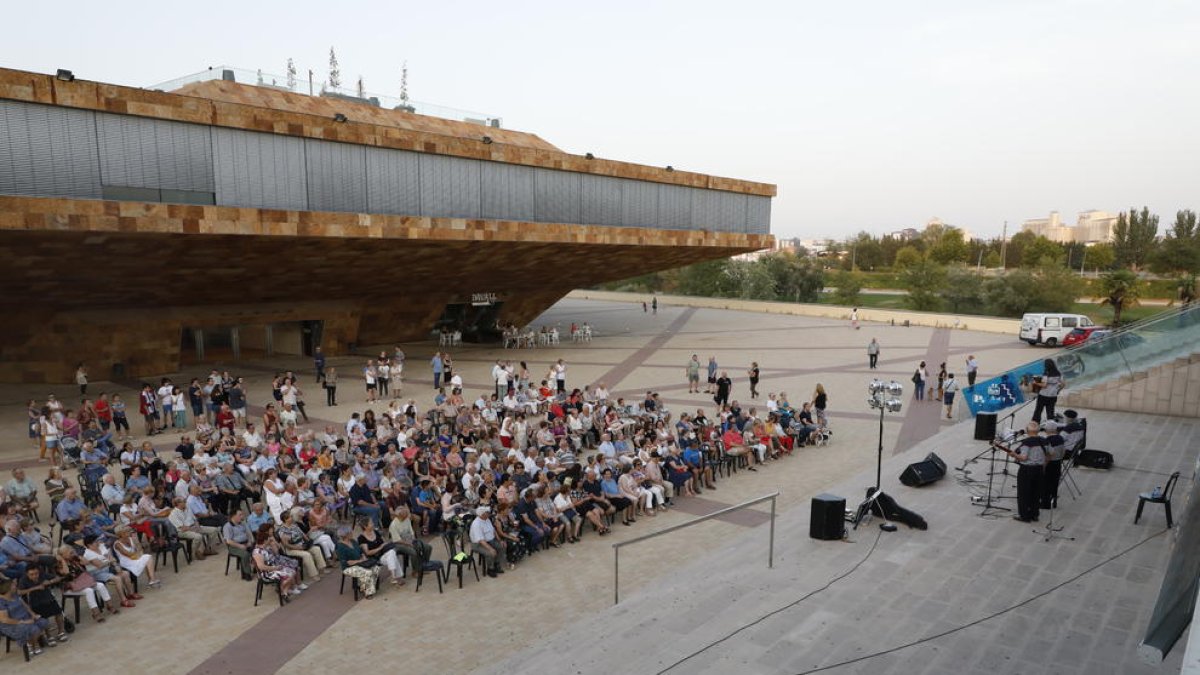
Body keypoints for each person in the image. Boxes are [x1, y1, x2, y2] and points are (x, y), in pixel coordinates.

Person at [1000, 422, 1046, 523]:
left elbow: (1024, 458)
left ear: (1027, 431)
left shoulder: (1027, 443)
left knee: (1024, 493)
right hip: (1039, 469)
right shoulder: (1044, 440)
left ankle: (1025, 516)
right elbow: (1051, 453)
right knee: (1036, 492)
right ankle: (1034, 514)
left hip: (1027, 470)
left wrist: (1014, 455)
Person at [0, 578, 54, 658]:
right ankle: (33, 644)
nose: (15, 586)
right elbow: (4, 619)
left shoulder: (15, 595)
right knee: (34, 629)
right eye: (13, 585)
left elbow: (25, 605)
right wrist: (23, 622)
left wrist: (33, 614)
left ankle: (31, 643)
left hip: (26, 618)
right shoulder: (1, 602)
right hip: (12, 624)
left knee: (44, 622)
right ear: (8, 588)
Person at [334, 526, 380, 599]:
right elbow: (346, 562)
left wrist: (363, 556)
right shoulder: (340, 547)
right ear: (345, 535)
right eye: (350, 532)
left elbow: (360, 550)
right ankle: (367, 593)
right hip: (349, 567)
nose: (352, 533)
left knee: (376, 568)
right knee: (367, 572)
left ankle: (367, 587)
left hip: (360, 563)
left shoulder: (353, 541)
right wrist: (359, 561)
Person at [469, 506, 507, 577]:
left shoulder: (487, 519)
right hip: (478, 544)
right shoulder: (476, 524)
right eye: (487, 513)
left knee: (502, 546)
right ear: (482, 514)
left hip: (489, 540)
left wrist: (500, 540)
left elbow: (494, 530)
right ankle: (490, 569)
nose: (489, 514)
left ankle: (496, 564)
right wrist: (490, 548)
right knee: (490, 553)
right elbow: (481, 540)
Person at [1040, 421, 1066, 510]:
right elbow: (1063, 451)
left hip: (1050, 464)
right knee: (1054, 483)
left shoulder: (1048, 441)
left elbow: (1048, 456)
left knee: (1046, 483)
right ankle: (1054, 502)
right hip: (1058, 463)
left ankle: (1045, 504)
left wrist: (1043, 466)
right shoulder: (1061, 438)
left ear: (1047, 430)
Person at [1032, 359, 1064, 423]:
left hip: (1043, 395)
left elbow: (1044, 385)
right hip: (1053, 396)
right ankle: (1051, 425)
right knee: (1050, 411)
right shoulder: (1058, 373)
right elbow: (1063, 384)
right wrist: (1058, 391)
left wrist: (1035, 383)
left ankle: (1035, 423)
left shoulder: (1046, 373)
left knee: (1038, 410)